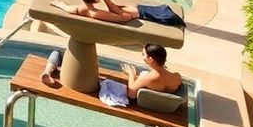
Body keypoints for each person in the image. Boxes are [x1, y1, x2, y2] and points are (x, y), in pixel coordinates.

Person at [40, 43, 182, 97]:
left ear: (151, 59)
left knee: (56, 54)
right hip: (161, 103)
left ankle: (48, 71)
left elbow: (132, 92)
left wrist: (131, 74)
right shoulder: (176, 76)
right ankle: (51, 69)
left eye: (143, 54)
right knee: (58, 56)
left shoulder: (150, 77)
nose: (142, 56)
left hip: (140, 102)